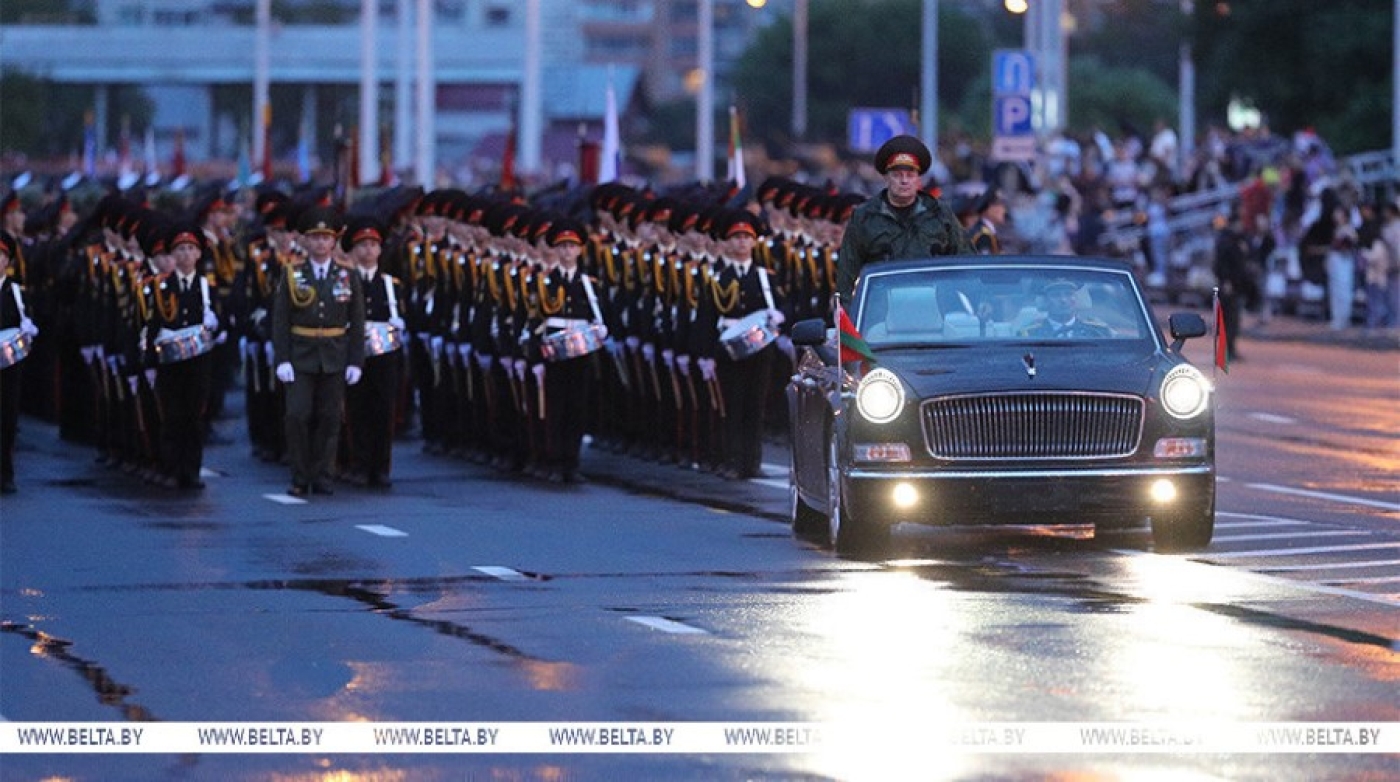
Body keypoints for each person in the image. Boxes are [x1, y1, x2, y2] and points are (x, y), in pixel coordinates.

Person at [272, 207, 365, 498]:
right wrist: (282, 359)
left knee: (329, 418)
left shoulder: (348, 275)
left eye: (326, 238)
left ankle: (324, 474)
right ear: (306, 242)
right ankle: (300, 476)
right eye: (315, 238)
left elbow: (357, 319)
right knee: (297, 415)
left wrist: (355, 360)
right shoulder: (292, 273)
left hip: (335, 355)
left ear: (334, 242)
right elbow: (281, 320)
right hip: (301, 355)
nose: (321, 243)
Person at [836, 134, 970, 301]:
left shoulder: (940, 214)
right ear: (886, 177)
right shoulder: (864, 216)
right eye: (897, 175)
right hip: (879, 313)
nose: (904, 181)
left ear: (918, 178)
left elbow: (966, 263)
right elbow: (847, 275)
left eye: (910, 174)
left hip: (934, 310)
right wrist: (848, 318)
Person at [144, 223, 219, 489]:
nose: (186, 254)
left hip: (198, 361)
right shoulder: (161, 286)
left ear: (199, 255)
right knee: (172, 415)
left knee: (194, 416)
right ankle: (172, 468)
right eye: (180, 249)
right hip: (170, 361)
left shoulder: (206, 286)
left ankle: (192, 469)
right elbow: (152, 324)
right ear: (172, 255)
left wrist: (216, 323)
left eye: (191, 249)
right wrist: (149, 364)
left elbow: (219, 320)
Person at [340, 215, 404, 489]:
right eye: (362, 245)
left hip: (385, 353)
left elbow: (400, 315)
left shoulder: (391, 285)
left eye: (373, 245)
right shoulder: (344, 282)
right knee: (357, 408)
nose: (368, 250)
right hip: (354, 351)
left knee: (383, 408)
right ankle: (359, 464)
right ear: (353, 250)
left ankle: (381, 467)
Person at [0, 231, 40, 493]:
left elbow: (28, 323)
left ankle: (5, 473)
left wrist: (28, 329)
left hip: (9, 363)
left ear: (7, 260)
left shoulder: (15, 291)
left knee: (7, 416)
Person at [1019, 278, 1113, 339]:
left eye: (1069, 294)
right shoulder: (1030, 334)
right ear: (1046, 301)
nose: (1063, 300)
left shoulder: (1098, 331)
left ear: (1076, 299)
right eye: (1056, 295)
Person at [965, 187, 1006, 254]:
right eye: (999, 205)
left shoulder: (985, 231)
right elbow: (985, 263)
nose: (1004, 210)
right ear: (989, 209)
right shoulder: (984, 236)